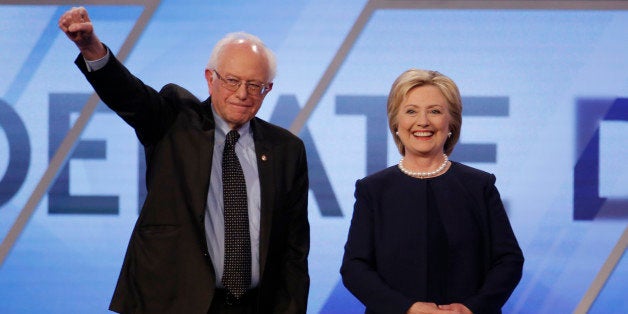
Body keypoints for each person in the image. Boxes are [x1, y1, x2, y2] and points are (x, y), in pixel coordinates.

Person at [58, 6, 310, 314]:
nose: (243, 93)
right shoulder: (173, 119)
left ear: (267, 89)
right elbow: (128, 95)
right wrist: (90, 48)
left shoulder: (286, 149)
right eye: (232, 80)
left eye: (255, 85)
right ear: (210, 78)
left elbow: (294, 250)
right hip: (171, 302)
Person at [340, 69, 524, 314]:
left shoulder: (480, 186)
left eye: (435, 111)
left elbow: (508, 261)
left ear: (451, 122)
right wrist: (408, 309)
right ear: (396, 123)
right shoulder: (372, 190)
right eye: (411, 111)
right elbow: (355, 267)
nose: (423, 121)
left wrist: (471, 309)